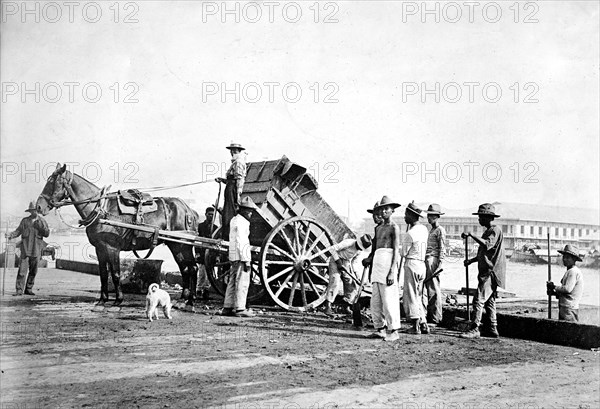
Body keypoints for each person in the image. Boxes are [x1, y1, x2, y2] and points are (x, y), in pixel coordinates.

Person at [460, 203, 506, 339]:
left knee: (478, 299)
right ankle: (492, 328)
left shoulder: (495, 231)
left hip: (491, 272)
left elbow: (487, 245)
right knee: (490, 301)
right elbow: (483, 254)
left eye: (480, 217)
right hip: (487, 270)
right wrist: (471, 261)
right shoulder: (487, 232)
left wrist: (471, 235)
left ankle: (475, 328)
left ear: (487, 217)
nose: (479, 219)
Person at [363, 196, 402, 342]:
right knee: (376, 300)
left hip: (387, 263)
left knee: (389, 298)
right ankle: (380, 329)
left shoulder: (394, 228)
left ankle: (394, 330)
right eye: (382, 209)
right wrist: (369, 259)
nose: (384, 211)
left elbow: (396, 251)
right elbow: (374, 250)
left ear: (392, 211)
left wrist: (392, 271)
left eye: (387, 209)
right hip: (377, 264)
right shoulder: (378, 228)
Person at [220, 196, 258, 317]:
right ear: (244, 210)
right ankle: (240, 309)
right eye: (250, 211)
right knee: (242, 282)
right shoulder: (243, 222)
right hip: (242, 256)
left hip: (233, 256)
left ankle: (228, 306)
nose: (251, 213)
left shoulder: (234, 220)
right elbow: (242, 241)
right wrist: (246, 259)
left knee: (232, 281)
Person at [6, 201, 50, 296]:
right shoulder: (25, 221)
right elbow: (18, 231)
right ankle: (19, 290)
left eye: (35, 210)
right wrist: (11, 235)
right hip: (25, 249)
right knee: (22, 270)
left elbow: (47, 234)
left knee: (33, 271)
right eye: (32, 211)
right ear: (30, 211)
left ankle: (28, 288)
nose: (33, 212)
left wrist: (42, 227)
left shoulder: (42, 221)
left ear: (38, 211)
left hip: (36, 249)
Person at [323, 234, 372, 316]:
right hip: (335, 260)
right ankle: (328, 307)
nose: (360, 249)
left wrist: (357, 277)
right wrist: (338, 262)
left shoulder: (359, 251)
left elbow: (353, 264)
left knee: (350, 283)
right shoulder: (349, 243)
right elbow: (332, 249)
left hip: (346, 263)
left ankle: (347, 306)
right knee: (335, 281)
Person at [402, 201, 430, 335]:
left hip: (412, 263)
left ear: (412, 216)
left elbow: (403, 253)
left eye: (406, 214)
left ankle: (415, 325)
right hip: (421, 264)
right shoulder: (424, 230)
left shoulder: (410, 233)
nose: (404, 216)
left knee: (411, 295)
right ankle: (423, 323)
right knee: (418, 295)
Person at [216, 142, 247, 241]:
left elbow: (239, 179)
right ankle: (227, 234)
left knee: (230, 212)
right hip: (230, 187)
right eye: (231, 150)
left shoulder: (238, 162)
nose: (232, 152)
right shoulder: (235, 162)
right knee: (227, 211)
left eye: (234, 150)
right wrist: (222, 180)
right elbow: (231, 180)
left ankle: (229, 235)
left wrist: (238, 194)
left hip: (233, 189)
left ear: (238, 151)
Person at [547, 244, 584, 322]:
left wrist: (554, 287)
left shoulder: (573, 272)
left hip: (568, 308)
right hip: (566, 307)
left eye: (568, 258)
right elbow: (567, 293)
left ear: (574, 259)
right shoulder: (570, 271)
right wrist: (554, 293)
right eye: (564, 257)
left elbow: (567, 289)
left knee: (568, 330)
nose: (564, 259)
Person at [424, 203, 446, 325]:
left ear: (437, 217)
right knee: (429, 288)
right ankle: (431, 315)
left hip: (434, 259)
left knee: (434, 289)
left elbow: (442, 248)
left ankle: (436, 317)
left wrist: (440, 264)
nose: (429, 218)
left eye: (431, 216)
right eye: (428, 216)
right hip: (428, 259)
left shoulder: (440, 230)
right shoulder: (432, 230)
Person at [196, 206, 217, 300]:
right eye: (209, 214)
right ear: (205, 215)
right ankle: (199, 290)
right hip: (202, 252)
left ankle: (207, 291)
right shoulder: (200, 226)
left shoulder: (216, 228)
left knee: (210, 273)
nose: (211, 216)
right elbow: (197, 241)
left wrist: (217, 256)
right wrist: (197, 253)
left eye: (212, 215)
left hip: (211, 254)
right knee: (201, 272)